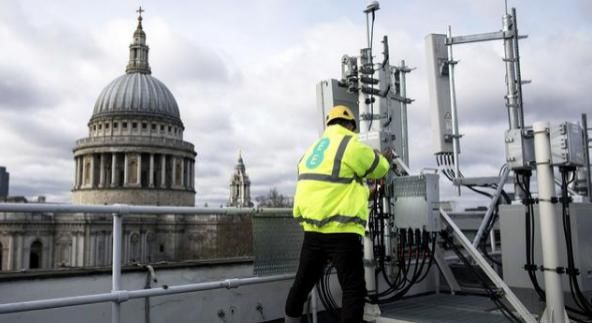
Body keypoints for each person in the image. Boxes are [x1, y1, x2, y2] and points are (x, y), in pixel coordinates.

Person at [285, 105, 391, 323]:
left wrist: (364, 191)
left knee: (302, 284)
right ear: (351, 125)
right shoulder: (350, 144)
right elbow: (380, 168)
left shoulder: (312, 150)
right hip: (342, 232)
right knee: (353, 290)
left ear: (329, 124)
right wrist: (384, 157)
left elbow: (334, 186)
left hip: (312, 230)